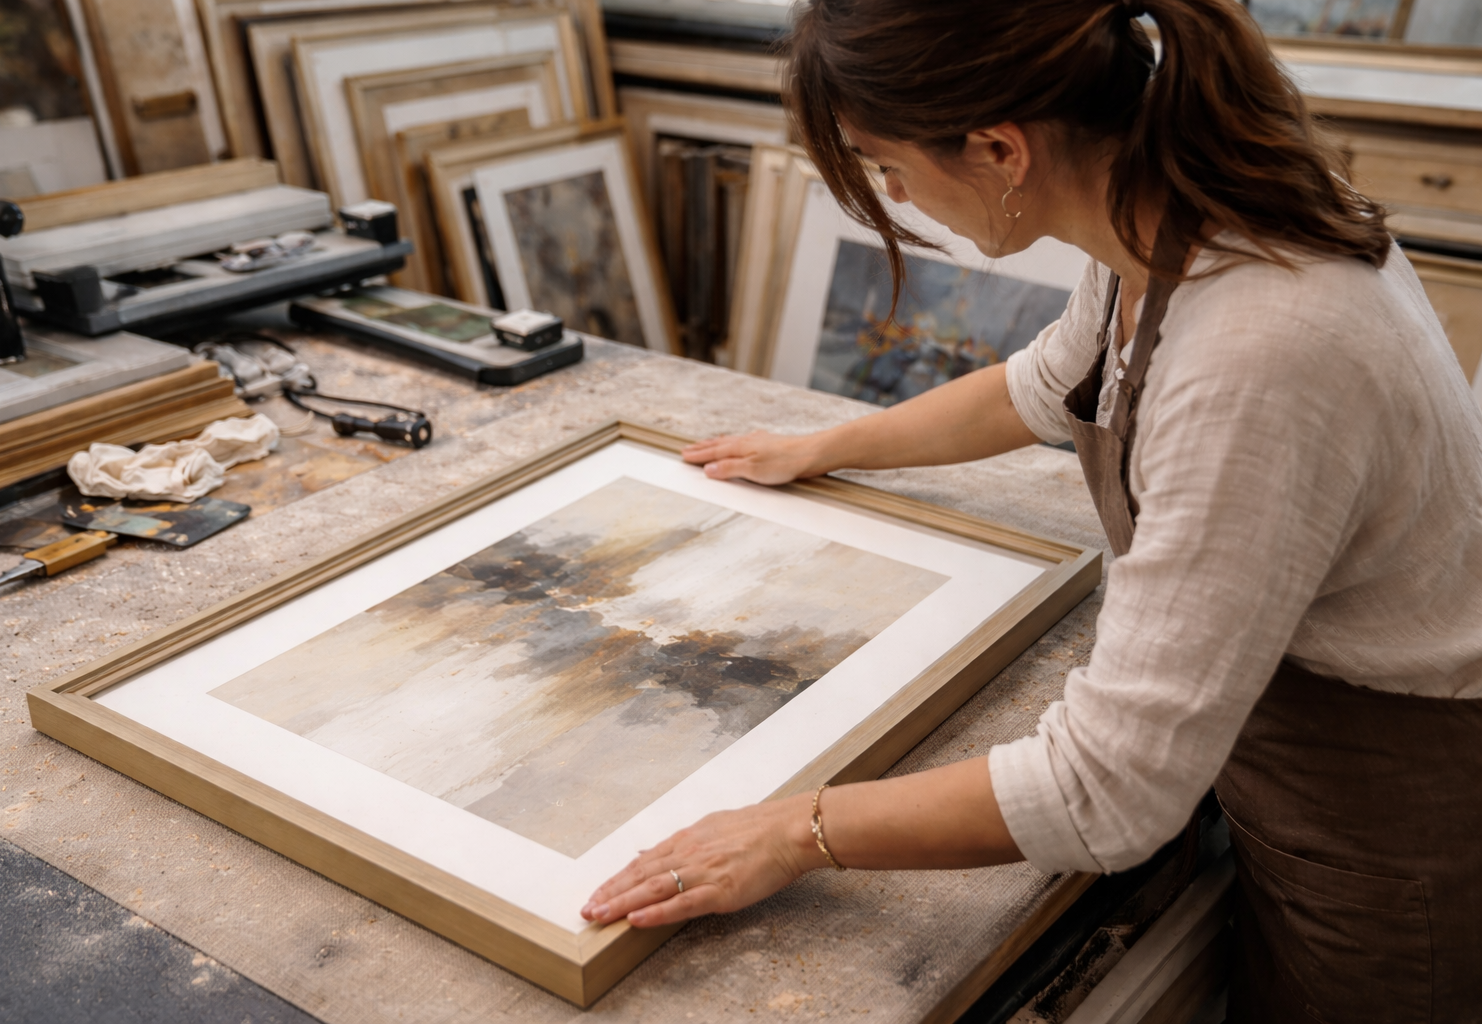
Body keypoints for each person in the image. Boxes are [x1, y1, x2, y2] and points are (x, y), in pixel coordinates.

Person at [580, 0, 1482, 1018]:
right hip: (1289, 762)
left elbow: (1110, 786)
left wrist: (796, 830)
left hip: (1389, 835)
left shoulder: (1262, 349)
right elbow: (1053, 383)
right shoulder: (1162, 206)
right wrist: (828, 444)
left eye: (887, 166)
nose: (894, 194)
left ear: (999, 148)